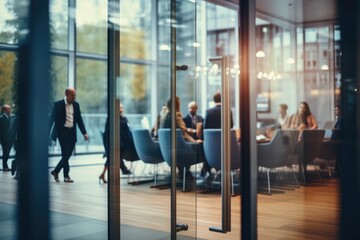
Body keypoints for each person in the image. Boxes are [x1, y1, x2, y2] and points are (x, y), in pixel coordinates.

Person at [160, 96, 210, 179]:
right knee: (203, 147)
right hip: (179, 151)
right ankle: (204, 174)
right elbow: (184, 134)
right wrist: (194, 141)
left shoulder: (163, 116)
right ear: (177, 105)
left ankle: (185, 172)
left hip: (167, 151)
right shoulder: (177, 115)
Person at [49, 88, 89, 183]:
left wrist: (84, 133)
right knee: (65, 153)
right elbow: (51, 119)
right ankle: (66, 176)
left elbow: (79, 120)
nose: (74, 97)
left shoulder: (76, 105)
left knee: (68, 154)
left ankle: (56, 171)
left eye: (75, 95)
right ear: (66, 94)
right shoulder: (58, 105)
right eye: (72, 95)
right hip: (62, 132)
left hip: (72, 132)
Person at [99, 104, 134, 183]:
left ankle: (103, 174)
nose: (121, 109)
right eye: (119, 108)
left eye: (122, 107)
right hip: (115, 142)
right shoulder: (113, 118)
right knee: (114, 159)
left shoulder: (122, 117)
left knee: (113, 159)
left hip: (121, 142)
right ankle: (108, 174)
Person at [0, 104, 16, 171]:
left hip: (10, 139)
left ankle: (6, 166)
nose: (10, 110)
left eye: (10, 109)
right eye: (8, 109)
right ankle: (4, 166)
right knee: (5, 152)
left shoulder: (11, 117)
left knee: (7, 152)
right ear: (4, 110)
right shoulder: (1, 118)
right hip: (4, 139)